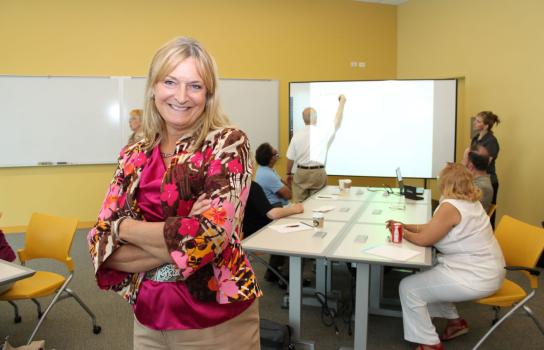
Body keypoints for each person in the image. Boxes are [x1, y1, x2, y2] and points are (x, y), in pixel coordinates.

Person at [87, 37, 261, 350]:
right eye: (170, 82)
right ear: (153, 87)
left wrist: (124, 228)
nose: (181, 96)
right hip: (148, 317)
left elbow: (212, 239)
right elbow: (99, 243)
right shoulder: (134, 153)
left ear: (208, 94)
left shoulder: (228, 144)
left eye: (194, 85)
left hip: (216, 320)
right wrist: (184, 226)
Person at [388, 163, 505, 350]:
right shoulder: (469, 202)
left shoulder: (450, 206)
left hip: (477, 276)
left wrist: (401, 232)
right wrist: (406, 226)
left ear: (446, 184)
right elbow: (433, 227)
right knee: (433, 271)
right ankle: (455, 323)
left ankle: (429, 343)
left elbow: (425, 239)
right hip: (489, 270)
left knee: (409, 288)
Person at [286, 95, 346, 202]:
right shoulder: (323, 133)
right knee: (318, 204)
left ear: (303, 119)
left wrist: (288, 174)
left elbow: (290, 158)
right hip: (318, 173)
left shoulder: (297, 135)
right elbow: (337, 120)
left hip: (301, 173)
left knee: (300, 206)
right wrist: (342, 102)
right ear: (316, 118)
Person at [242, 181, 304, 284]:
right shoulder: (250, 185)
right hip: (259, 233)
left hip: (245, 231)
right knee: (297, 235)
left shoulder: (226, 186)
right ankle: (288, 279)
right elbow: (272, 214)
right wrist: (295, 209)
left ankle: (273, 272)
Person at [470, 111, 500, 204]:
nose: (474, 122)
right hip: (476, 179)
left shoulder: (491, 141)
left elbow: (483, 163)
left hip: (488, 181)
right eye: (475, 120)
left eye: (478, 121)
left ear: (486, 126)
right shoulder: (475, 139)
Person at [255, 142, 292, 206]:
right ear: (271, 159)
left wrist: (281, 192)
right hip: (277, 207)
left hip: (279, 205)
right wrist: (283, 190)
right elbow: (289, 195)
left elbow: (285, 188)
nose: (277, 153)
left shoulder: (265, 169)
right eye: (276, 154)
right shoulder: (268, 174)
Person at [464, 146, 494, 213]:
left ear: (470, 166)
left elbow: (444, 201)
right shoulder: (473, 182)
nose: (462, 163)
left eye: (464, 160)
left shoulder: (481, 187)